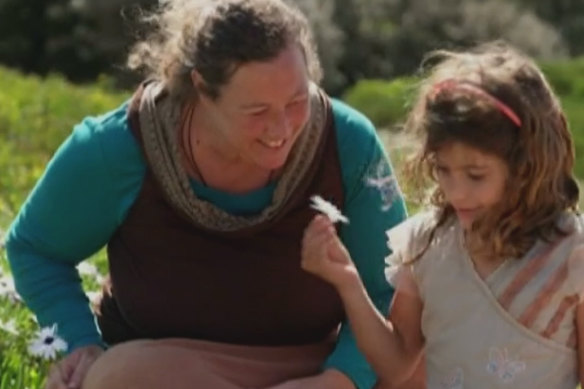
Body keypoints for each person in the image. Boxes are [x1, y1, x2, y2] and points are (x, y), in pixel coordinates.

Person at [5, 0, 410, 388]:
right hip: (169, 368)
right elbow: (35, 249)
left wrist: (337, 380)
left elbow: (390, 289)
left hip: (314, 362)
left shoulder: (348, 144)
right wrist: (81, 343)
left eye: (296, 101)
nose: (282, 129)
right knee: (119, 378)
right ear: (200, 87)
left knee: (422, 367)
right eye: (257, 112)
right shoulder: (119, 147)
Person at [302, 41, 584, 389]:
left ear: (525, 165)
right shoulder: (427, 244)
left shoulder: (571, 255)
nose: (456, 191)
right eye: (443, 169)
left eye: (475, 175)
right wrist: (347, 280)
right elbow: (395, 366)